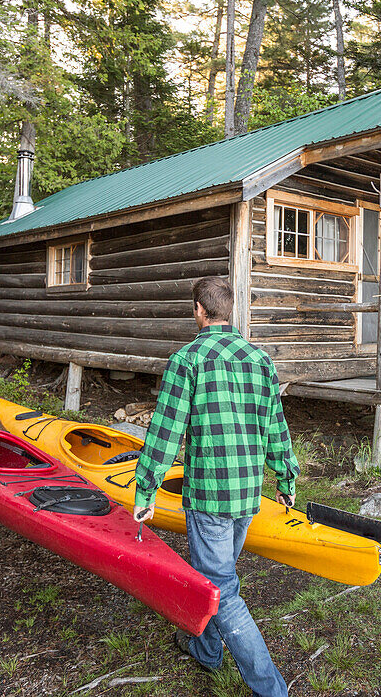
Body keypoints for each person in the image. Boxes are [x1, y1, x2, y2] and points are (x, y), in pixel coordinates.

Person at [133, 276, 298, 697]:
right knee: (216, 578)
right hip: (247, 493)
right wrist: (285, 477)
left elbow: (165, 433)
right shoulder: (261, 360)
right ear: (230, 310)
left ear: (199, 310)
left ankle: (271, 689)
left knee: (221, 588)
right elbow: (275, 426)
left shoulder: (187, 360)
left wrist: (146, 489)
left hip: (208, 495)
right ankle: (206, 650)